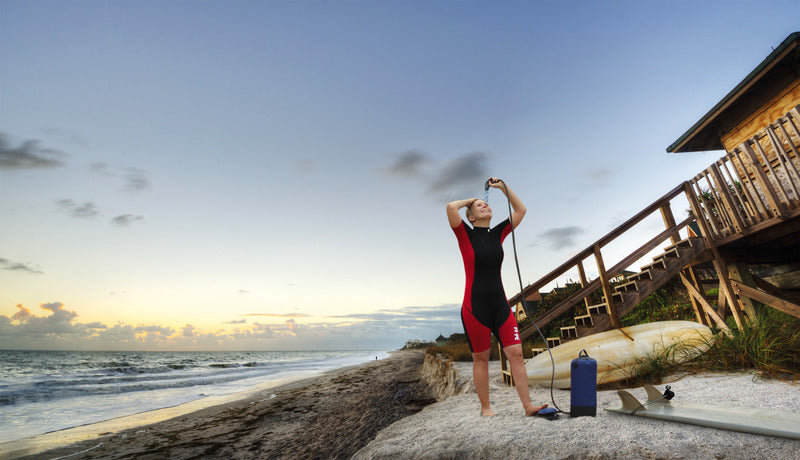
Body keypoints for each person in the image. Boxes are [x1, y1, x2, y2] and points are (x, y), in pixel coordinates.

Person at [446, 177, 547, 417]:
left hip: (500, 305)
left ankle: (528, 407)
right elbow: (451, 207)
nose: (485, 207)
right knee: (480, 360)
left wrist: (503, 189)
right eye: (479, 207)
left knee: (517, 354)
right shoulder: (465, 235)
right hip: (475, 308)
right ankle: (486, 408)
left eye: (486, 204)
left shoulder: (499, 233)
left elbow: (521, 210)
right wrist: (471, 200)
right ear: (470, 217)